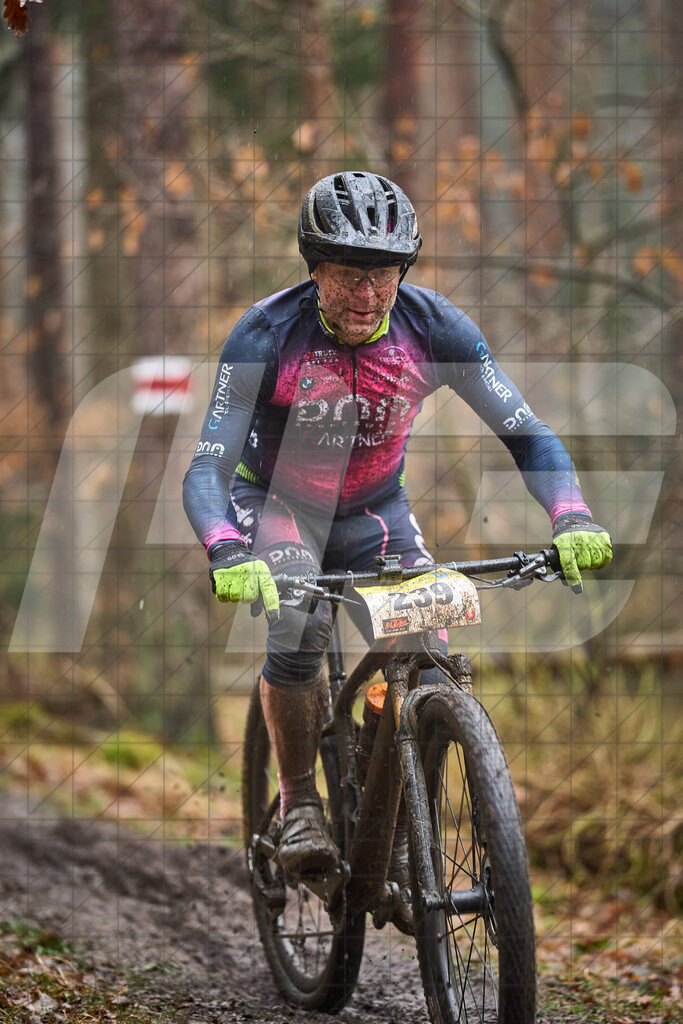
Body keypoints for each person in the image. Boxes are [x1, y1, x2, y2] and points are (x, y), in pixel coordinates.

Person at [183, 170, 612, 890]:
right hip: (278, 506)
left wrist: (570, 515)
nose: (366, 295)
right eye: (348, 274)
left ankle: (396, 799)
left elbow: (527, 436)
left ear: (402, 272)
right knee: (296, 626)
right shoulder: (265, 334)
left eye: (382, 274)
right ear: (314, 269)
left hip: (377, 513)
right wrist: (226, 547)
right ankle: (298, 804)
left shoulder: (434, 327)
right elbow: (206, 466)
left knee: (427, 654)